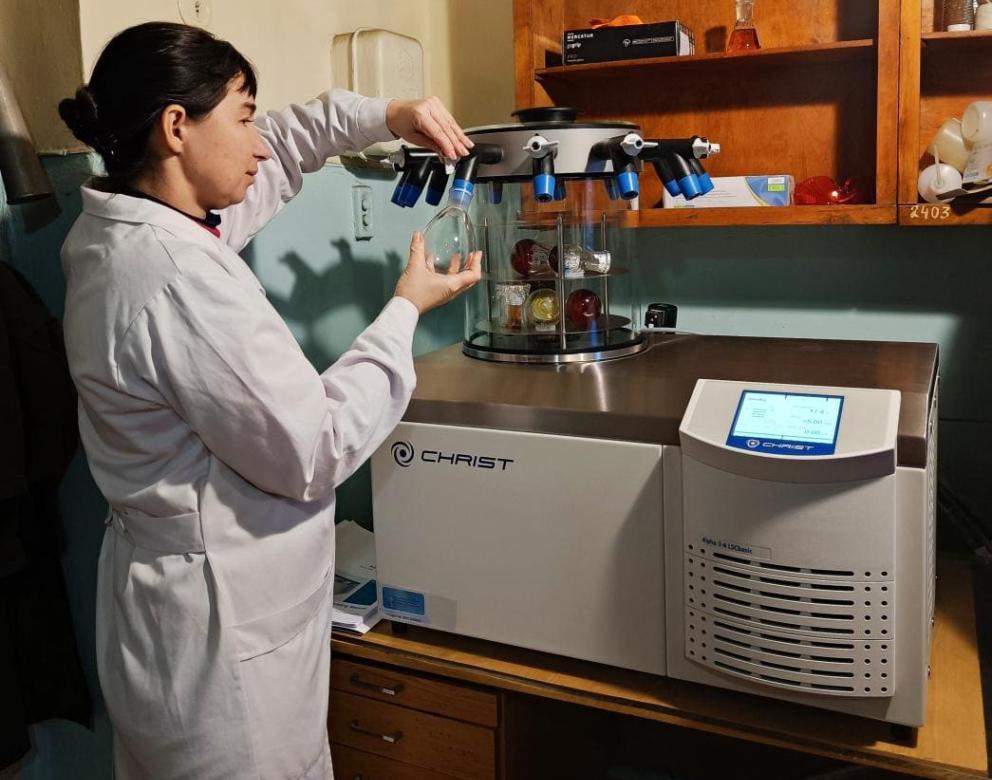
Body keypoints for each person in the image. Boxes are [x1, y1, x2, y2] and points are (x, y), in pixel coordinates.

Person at [57, 21, 480, 780]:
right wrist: (405, 310)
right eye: (244, 118)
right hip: (221, 641)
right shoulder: (176, 278)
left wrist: (389, 114)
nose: (258, 144)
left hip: (163, 611)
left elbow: (285, 144)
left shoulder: (129, 224)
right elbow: (314, 449)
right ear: (176, 127)